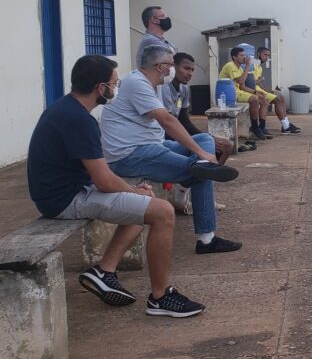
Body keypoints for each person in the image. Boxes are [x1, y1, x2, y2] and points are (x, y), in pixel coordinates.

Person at [28, 55, 204, 317]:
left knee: (144, 203)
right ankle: (160, 297)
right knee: (163, 212)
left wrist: (134, 192)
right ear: (101, 88)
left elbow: (97, 172)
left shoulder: (66, 109)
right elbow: (103, 180)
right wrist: (131, 191)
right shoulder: (79, 120)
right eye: (114, 83)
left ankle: (104, 271)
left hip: (66, 189)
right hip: (65, 199)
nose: (115, 89)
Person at [103, 44, 242, 255]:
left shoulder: (150, 84)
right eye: (170, 65)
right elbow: (167, 120)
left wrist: (202, 150)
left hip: (152, 146)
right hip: (131, 155)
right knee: (200, 170)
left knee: (205, 139)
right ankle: (206, 240)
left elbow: (177, 121)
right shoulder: (137, 83)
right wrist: (203, 153)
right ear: (160, 67)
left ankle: (198, 167)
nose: (172, 71)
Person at [163, 52, 232, 164]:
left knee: (226, 145)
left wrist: (208, 137)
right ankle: (201, 175)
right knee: (210, 145)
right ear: (173, 67)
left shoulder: (183, 88)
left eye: (192, 70)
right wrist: (200, 141)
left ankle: (213, 173)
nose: (190, 73)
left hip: (178, 132)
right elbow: (167, 126)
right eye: (186, 68)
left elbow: (185, 121)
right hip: (166, 137)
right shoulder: (164, 88)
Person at [219, 47, 273, 141]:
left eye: (244, 55)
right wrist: (248, 66)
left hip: (236, 91)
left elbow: (242, 87)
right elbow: (240, 81)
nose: (244, 57)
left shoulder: (239, 68)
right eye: (241, 55)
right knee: (254, 99)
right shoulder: (230, 65)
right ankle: (254, 126)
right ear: (234, 57)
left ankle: (261, 127)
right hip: (227, 94)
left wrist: (256, 92)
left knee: (264, 100)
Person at [255, 47, 300, 134]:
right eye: (265, 55)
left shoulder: (260, 67)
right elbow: (252, 83)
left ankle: (286, 124)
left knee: (281, 96)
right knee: (277, 100)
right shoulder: (254, 66)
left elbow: (260, 86)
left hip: (259, 89)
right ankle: (285, 127)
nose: (267, 57)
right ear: (259, 54)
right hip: (253, 90)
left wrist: (270, 91)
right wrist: (261, 80)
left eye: (268, 55)